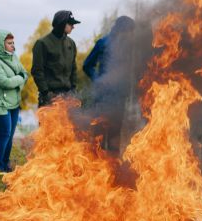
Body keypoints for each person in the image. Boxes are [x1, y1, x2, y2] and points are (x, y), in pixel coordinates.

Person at [83, 16, 135, 153]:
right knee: (98, 136)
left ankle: (111, 170)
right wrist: (98, 80)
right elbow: (87, 65)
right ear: (122, 29)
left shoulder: (128, 46)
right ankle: (95, 168)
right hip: (103, 97)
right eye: (129, 30)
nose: (131, 34)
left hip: (119, 99)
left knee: (114, 138)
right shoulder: (103, 43)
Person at [0, 30, 28, 172]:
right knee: (4, 133)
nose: (13, 46)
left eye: (13, 43)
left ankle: (5, 163)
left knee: (9, 135)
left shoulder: (14, 57)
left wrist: (19, 79)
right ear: (0, 45)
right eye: (9, 43)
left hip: (14, 103)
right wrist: (20, 79)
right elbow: (5, 82)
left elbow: (25, 73)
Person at [31, 10, 80, 107]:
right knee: (49, 122)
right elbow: (37, 71)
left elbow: (73, 69)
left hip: (67, 96)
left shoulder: (71, 43)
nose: (73, 27)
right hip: (49, 96)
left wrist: (73, 90)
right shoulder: (42, 43)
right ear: (62, 24)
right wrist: (46, 93)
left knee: (68, 123)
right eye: (70, 24)